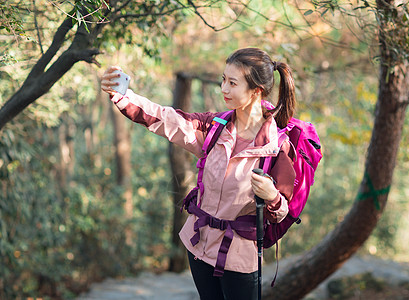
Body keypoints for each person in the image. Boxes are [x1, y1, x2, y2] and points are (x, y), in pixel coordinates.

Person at [101, 47, 297, 300]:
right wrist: (123, 96)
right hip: (198, 244)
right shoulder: (214, 128)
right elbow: (166, 119)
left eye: (232, 83)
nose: (224, 89)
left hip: (239, 257)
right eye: (223, 80)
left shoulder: (276, 147)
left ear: (256, 90)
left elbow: (282, 212)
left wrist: (271, 196)